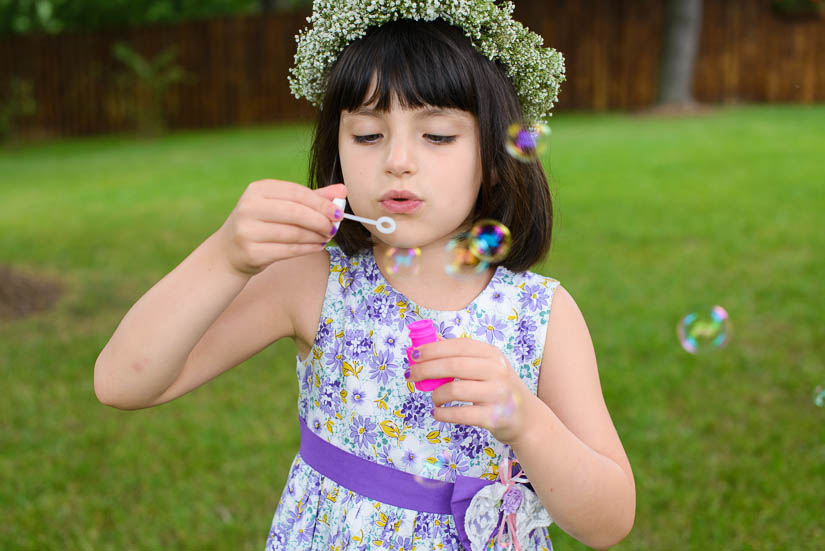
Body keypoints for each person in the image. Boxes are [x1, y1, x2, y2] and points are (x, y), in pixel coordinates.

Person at [94, 1, 636, 549]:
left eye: (439, 136)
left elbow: (609, 521)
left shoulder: (542, 315)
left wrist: (524, 419)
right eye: (368, 135)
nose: (397, 160)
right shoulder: (312, 282)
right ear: (337, 149)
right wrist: (226, 257)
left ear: (495, 158)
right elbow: (123, 382)